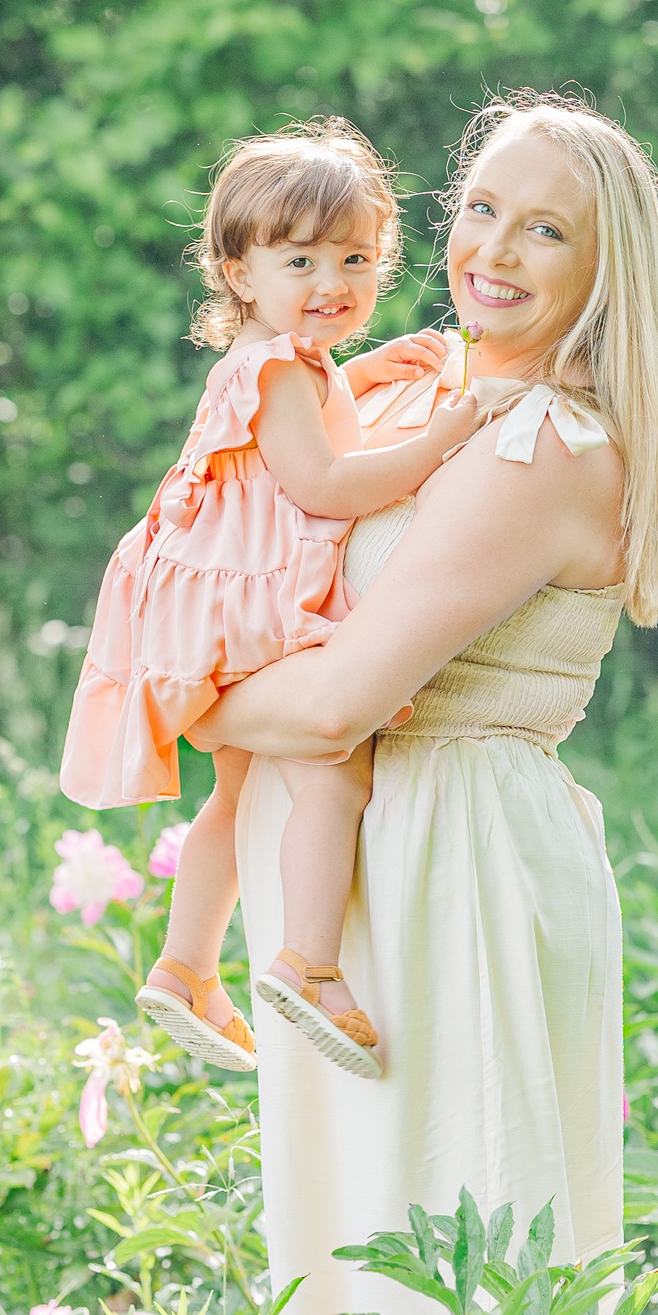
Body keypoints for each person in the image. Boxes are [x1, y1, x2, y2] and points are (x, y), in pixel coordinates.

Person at [191, 91, 658, 1315]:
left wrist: (169, 696)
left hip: (449, 852)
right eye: (480, 208)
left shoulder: (538, 446)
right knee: (367, 1242)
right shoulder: (444, 407)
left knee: (451, 1250)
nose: (491, 250)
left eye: (544, 231)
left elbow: (337, 701)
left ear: (603, 270)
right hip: (380, 845)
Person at [58, 121, 478, 1081]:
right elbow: (326, 484)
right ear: (240, 273)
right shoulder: (281, 367)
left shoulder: (275, 361)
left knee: (240, 789)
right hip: (247, 606)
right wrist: (445, 434)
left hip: (194, 595)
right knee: (339, 766)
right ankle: (311, 964)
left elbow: (295, 430)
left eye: (358, 258)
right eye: (302, 260)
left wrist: (365, 373)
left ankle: (186, 966)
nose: (335, 281)